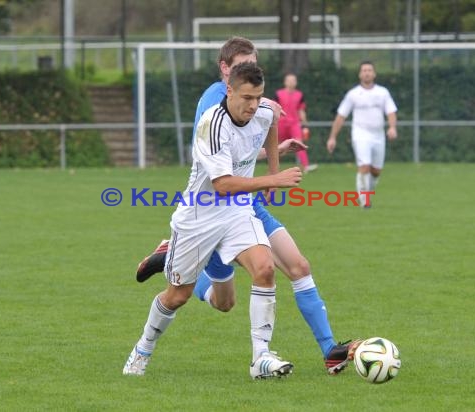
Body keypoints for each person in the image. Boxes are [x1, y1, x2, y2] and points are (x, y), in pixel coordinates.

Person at [135, 37, 361, 376]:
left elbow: (262, 128)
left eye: (254, 64)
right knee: (218, 302)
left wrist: (274, 161)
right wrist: (274, 178)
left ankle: (324, 351)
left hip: (244, 204)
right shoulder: (213, 106)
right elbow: (223, 168)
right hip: (208, 209)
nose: (254, 100)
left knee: (295, 266)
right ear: (226, 72)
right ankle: (172, 263)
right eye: (242, 66)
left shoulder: (258, 102)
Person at [123, 62, 303, 379]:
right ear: (229, 90)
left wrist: (273, 172)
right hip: (199, 216)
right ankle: (143, 349)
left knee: (264, 268)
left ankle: (260, 358)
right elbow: (223, 184)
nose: (253, 105)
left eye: (258, 97)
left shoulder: (262, 111)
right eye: (246, 97)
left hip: (236, 212)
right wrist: (273, 180)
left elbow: (271, 123)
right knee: (178, 295)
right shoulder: (212, 125)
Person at [326, 61, 398, 208]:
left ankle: (366, 193)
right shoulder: (353, 94)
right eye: (364, 70)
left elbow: (391, 111)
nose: (367, 73)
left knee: (376, 171)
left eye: (369, 70)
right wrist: (332, 137)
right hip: (360, 134)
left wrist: (392, 127)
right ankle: (364, 199)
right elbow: (341, 116)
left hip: (378, 136)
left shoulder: (382, 92)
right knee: (364, 166)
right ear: (360, 74)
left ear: (374, 74)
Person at [275, 73, 318, 173]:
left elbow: (301, 110)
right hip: (281, 123)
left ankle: (306, 166)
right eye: (289, 80)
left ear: (296, 82)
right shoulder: (278, 94)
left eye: (293, 80)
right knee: (277, 146)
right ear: (285, 82)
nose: (291, 82)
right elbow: (274, 108)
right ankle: (274, 167)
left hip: (294, 123)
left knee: (299, 143)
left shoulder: (299, 95)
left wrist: (305, 125)